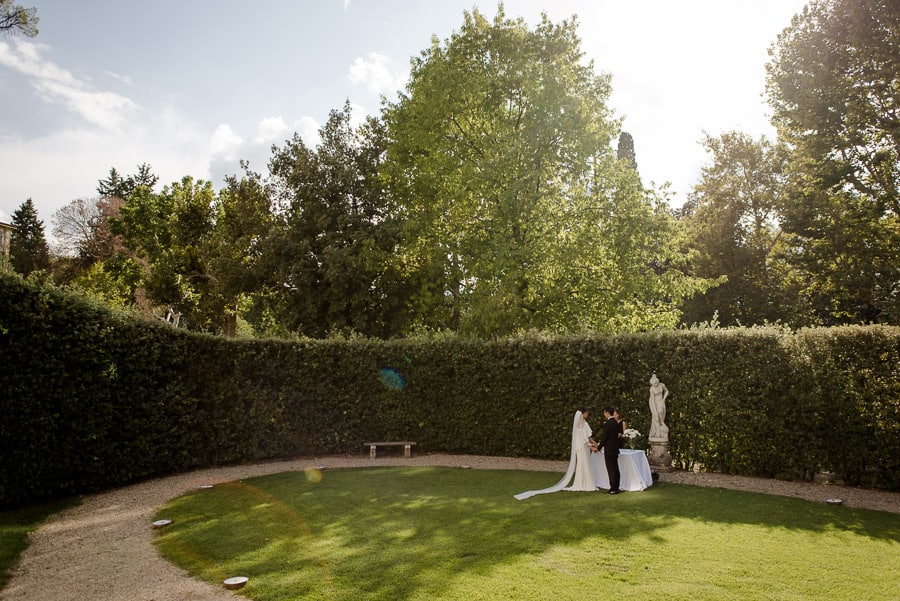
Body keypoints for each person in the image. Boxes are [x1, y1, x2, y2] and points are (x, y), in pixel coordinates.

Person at [513, 408, 597, 500]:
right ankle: (582, 483)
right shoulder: (579, 426)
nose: (587, 414)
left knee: (586, 464)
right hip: (581, 448)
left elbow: (588, 436)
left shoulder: (584, 423)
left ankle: (587, 482)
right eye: (586, 413)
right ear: (583, 413)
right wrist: (591, 446)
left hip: (585, 447)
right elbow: (582, 439)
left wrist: (594, 443)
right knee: (582, 464)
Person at [599, 405, 621, 494]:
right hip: (615, 449)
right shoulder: (616, 423)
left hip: (609, 450)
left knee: (611, 469)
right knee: (615, 468)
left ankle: (613, 488)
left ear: (607, 413)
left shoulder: (608, 424)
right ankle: (616, 486)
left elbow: (604, 438)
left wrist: (599, 447)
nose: (604, 414)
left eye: (604, 413)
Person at [648, 373, 669, 439]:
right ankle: (657, 432)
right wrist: (654, 410)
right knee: (656, 416)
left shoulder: (662, 385)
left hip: (660, 401)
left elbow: (667, 391)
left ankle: (662, 422)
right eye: (654, 384)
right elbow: (652, 400)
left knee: (660, 411)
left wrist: (663, 399)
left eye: (656, 383)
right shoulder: (652, 389)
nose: (655, 385)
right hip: (654, 402)